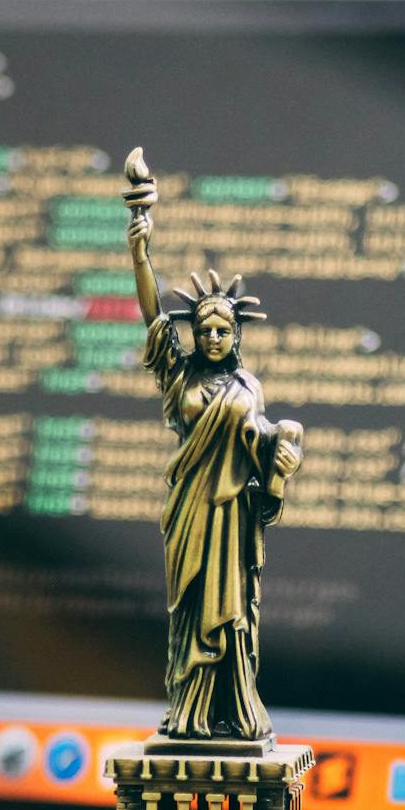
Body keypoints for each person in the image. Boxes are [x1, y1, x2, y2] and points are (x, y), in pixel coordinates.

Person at [123, 148, 303, 741]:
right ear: (193, 335)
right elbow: (152, 314)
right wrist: (139, 250)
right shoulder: (180, 376)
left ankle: (234, 707)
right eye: (205, 330)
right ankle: (192, 712)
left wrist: (280, 463)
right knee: (192, 610)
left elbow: (262, 452)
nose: (216, 337)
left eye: (225, 329)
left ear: (237, 333)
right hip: (193, 511)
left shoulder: (247, 387)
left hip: (234, 513)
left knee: (232, 615)